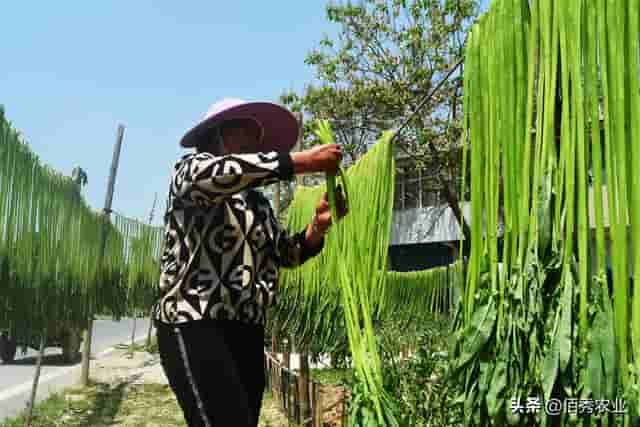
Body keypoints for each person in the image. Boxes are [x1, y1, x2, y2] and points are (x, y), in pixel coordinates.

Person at [152, 98, 348, 427]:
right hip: (195, 320)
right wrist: (302, 161)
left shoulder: (257, 204)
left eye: (257, 136)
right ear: (218, 135)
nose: (254, 141)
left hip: (246, 326)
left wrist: (318, 227)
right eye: (245, 130)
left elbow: (285, 253)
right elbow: (221, 174)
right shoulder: (191, 171)